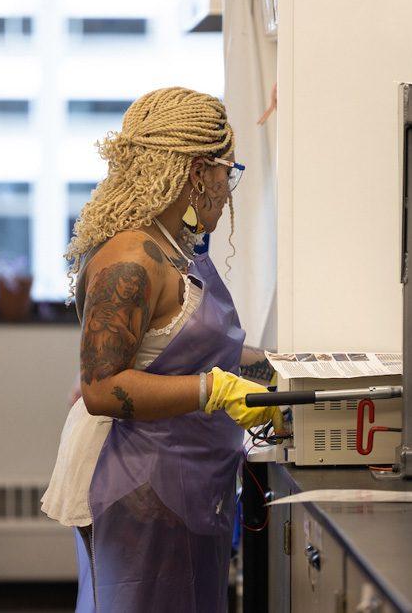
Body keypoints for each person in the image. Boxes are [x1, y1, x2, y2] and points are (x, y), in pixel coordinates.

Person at [41, 87, 283, 612]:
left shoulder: (178, 248)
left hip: (189, 480)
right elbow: (103, 388)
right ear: (199, 172)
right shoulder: (129, 260)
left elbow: (189, 348)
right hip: (136, 486)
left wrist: (282, 372)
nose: (227, 188)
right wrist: (212, 389)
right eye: (228, 173)